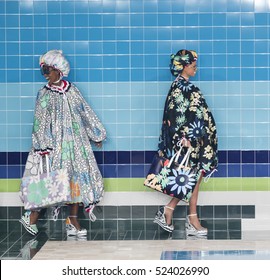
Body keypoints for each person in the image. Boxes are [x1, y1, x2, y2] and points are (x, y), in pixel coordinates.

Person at [19, 50, 106, 237]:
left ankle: (72, 219)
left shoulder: (72, 90)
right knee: (51, 182)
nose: (45, 75)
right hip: (54, 146)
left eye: (48, 70)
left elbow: (85, 111)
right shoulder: (44, 94)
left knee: (75, 180)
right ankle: (31, 216)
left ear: (59, 70)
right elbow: (39, 122)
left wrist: (96, 134)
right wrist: (43, 146)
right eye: (43, 71)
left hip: (76, 144)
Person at [153, 49, 218, 236]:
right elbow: (176, 115)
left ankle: (176, 213)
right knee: (190, 178)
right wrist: (185, 137)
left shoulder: (182, 86)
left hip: (193, 141)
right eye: (193, 65)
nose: (195, 68)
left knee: (192, 178)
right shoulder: (180, 87)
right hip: (188, 142)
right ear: (183, 66)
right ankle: (187, 217)